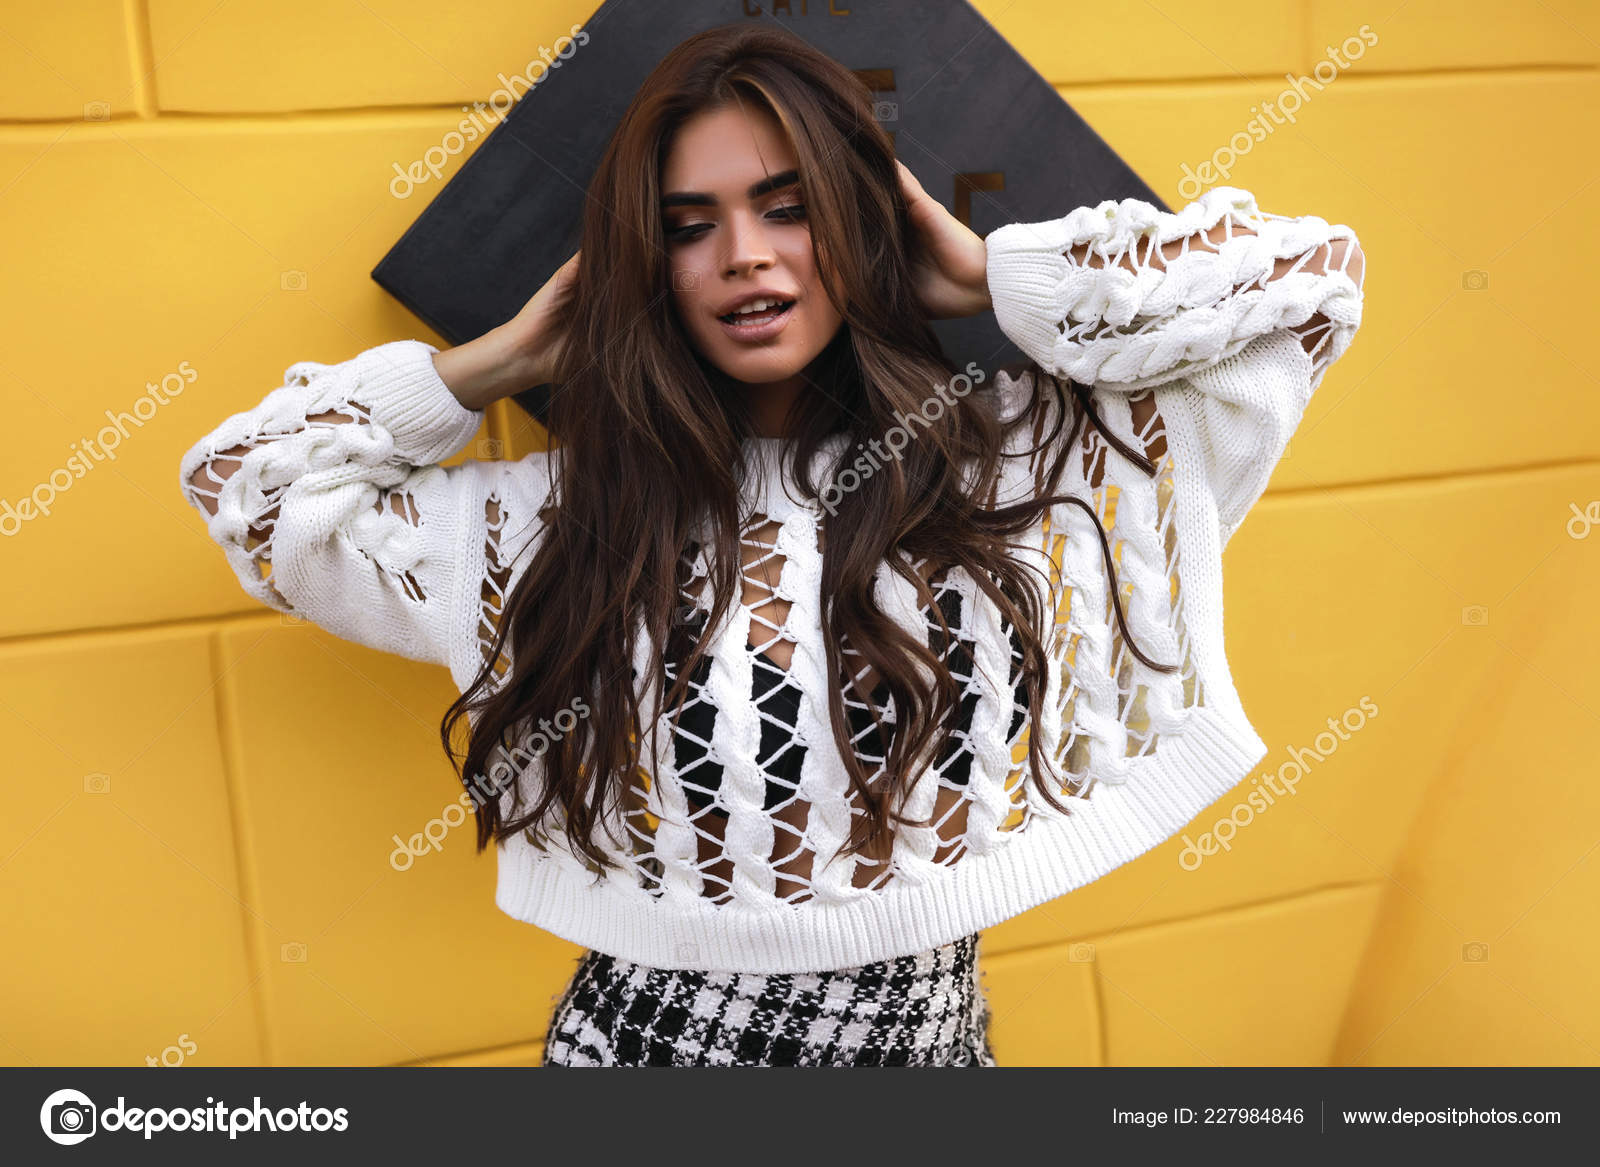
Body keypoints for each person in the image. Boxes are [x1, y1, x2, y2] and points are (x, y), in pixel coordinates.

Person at [178, 22, 1364, 1067]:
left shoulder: (1026, 469)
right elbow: (247, 490)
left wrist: (994, 273)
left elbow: (1308, 287)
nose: (744, 255)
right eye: (688, 229)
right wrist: (498, 361)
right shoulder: (542, 525)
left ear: (862, 222)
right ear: (646, 268)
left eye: (789, 209)